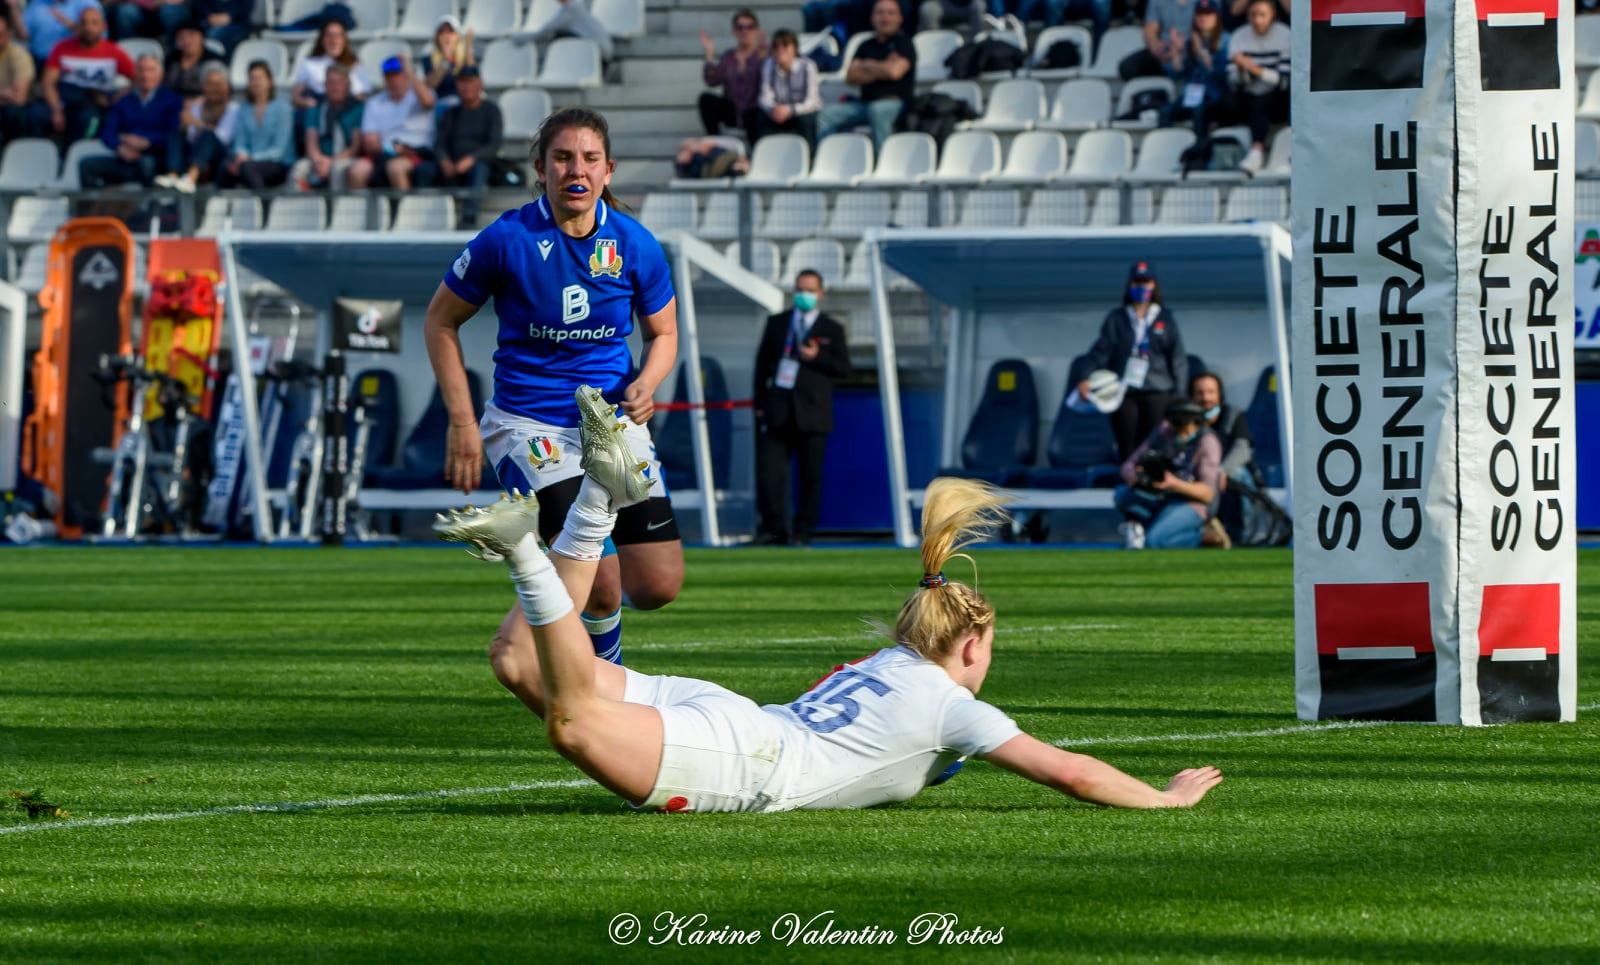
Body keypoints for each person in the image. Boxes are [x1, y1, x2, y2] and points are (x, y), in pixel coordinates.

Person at [433, 453, 1225, 813]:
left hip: (729, 713)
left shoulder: (888, 661)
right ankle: (527, 552)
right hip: (748, 762)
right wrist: (1164, 797)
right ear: (973, 648)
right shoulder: (954, 705)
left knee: (517, 663)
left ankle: (597, 503)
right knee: (568, 719)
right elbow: (1068, 771)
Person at [423, 107, 683, 672]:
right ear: (540, 169)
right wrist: (463, 423)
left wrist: (647, 381)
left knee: (658, 585)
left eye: (589, 158)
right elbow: (439, 322)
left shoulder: (635, 245)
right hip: (531, 427)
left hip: (612, 429)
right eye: (563, 157)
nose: (576, 169)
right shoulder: (507, 239)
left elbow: (663, 334)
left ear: (608, 170)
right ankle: (598, 686)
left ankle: (548, 588)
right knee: (603, 584)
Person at [752, 269, 850, 546]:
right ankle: (773, 531)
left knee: (810, 477)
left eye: (809, 290)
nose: (804, 295)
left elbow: (843, 369)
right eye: (799, 289)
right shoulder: (777, 324)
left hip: (813, 414)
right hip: (779, 411)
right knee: (770, 476)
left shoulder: (832, 329)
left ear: (820, 294)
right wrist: (760, 404)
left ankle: (803, 531)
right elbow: (761, 367)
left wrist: (818, 357)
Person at [1079, 260, 1189, 462]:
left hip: (1158, 391)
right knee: (1127, 446)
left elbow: (1178, 359)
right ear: (1129, 285)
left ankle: (1150, 488)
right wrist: (1085, 377)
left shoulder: (1165, 317)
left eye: (1145, 282)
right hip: (1125, 391)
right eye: (1137, 282)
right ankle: (1127, 485)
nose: (1141, 287)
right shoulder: (1117, 318)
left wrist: (1180, 396)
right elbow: (1100, 351)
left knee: (1154, 444)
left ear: (1153, 284)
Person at [1113, 400, 1221, 550]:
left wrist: (1174, 483)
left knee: (1154, 542)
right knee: (1122, 495)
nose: (1177, 428)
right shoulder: (1164, 432)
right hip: (1161, 498)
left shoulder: (1207, 441)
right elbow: (1127, 466)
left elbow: (1207, 494)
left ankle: (1203, 536)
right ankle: (1158, 530)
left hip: (1191, 503)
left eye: (1182, 423)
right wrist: (1138, 477)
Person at [815, 0, 915, 150]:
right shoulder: (865, 45)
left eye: (890, 13)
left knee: (878, 110)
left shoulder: (905, 43)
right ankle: (829, 159)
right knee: (827, 114)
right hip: (865, 104)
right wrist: (884, 67)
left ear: (899, 18)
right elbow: (851, 77)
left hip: (895, 103)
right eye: (880, 13)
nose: (885, 17)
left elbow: (894, 72)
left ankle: (882, 162)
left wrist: (866, 66)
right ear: (872, 17)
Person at [30, 5, 132, 143]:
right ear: (78, 26)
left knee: (90, 121)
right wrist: (56, 111)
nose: (88, 27)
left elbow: (138, 79)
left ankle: (72, 154)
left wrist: (118, 95)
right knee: (34, 115)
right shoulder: (62, 47)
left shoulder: (114, 52)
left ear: (103, 26)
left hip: (92, 105)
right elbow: (48, 82)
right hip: (63, 101)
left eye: (94, 23)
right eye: (84, 22)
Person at [78, 51, 179, 186]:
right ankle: (97, 205)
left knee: (147, 163)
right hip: (126, 156)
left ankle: (150, 206)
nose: (145, 75)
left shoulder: (172, 100)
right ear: (135, 73)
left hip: (156, 157)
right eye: (141, 70)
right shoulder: (124, 101)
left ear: (160, 74)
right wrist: (120, 147)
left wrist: (148, 142)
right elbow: (107, 132)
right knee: (86, 165)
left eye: (151, 70)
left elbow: (174, 134)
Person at [420, 65, 500, 226]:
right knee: (424, 170)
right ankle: (423, 216)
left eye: (470, 81)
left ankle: (469, 218)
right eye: (461, 82)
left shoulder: (491, 111)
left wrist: (471, 159)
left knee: (479, 169)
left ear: (479, 84)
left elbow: (493, 144)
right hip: (450, 166)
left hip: (476, 164)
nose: (465, 86)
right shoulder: (451, 113)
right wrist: (444, 160)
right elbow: (439, 143)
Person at [348, 55, 434, 191]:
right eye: (389, 77)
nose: (394, 81)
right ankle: (361, 211)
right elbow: (370, 139)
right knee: (357, 170)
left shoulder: (419, 95)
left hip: (416, 152)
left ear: (406, 76)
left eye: (397, 76)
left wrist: (410, 71)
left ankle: (404, 211)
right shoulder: (375, 102)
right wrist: (386, 148)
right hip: (386, 152)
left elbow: (428, 102)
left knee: (395, 168)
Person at [1227, 0, 1289, 173]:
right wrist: (1243, 72)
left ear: (1272, 15)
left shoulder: (1285, 35)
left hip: (1277, 99)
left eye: (1262, 15)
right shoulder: (1239, 35)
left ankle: (1257, 150)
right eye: (1253, 15)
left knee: (1262, 102)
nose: (1257, 20)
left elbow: (1283, 81)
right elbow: (1234, 80)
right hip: (1248, 95)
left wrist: (1251, 67)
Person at [155, 61, 235, 190]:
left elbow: (223, 137)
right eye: (210, 84)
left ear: (226, 86)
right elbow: (191, 135)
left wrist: (197, 124)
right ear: (203, 86)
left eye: (218, 84)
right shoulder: (198, 106)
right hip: (198, 150)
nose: (214, 88)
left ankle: (191, 177)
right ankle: (173, 174)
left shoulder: (233, 108)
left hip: (220, 155)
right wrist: (185, 123)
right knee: (176, 134)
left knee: (208, 136)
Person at [288, 61, 359, 190]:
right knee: (299, 169)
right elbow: (311, 142)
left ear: (347, 85)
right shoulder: (316, 109)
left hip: (345, 159)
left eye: (338, 82)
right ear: (325, 85)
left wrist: (331, 162)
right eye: (330, 82)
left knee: (337, 170)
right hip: (319, 159)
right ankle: (299, 208)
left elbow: (354, 147)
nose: (334, 87)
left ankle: (337, 209)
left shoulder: (357, 109)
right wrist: (318, 161)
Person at [221, 58, 292, 188]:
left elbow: (279, 150)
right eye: (252, 78)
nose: (255, 82)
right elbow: (240, 142)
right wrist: (241, 156)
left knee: (248, 168)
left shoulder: (283, 108)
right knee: (225, 168)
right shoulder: (244, 108)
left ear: (270, 82)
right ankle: (220, 207)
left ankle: (263, 206)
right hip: (249, 162)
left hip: (277, 163)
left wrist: (250, 158)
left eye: (259, 78)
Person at [1161, 0, 1229, 136]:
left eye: (1208, 14)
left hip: (1214, 97)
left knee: (1199, 112)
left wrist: (1200, 52)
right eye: (1199, 14)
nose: (1203, 18)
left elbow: (1219, 74)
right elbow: (1178, 73)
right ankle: (1165, 149)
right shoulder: (1190, 41)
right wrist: (1176, 53)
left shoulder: (1226, 40)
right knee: (1165, 112)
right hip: (1191, 96)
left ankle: (1199, 153)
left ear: (1217, 16)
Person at [698, 9, 763, 136]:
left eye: (749, 27)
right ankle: (715, 139)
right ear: (734, 31)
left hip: (756, 111)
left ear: (756, 30)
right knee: (706, 99)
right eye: (740, 27)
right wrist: (710, 55)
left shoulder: (764, 55)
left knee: (757, 111)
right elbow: (711, 81)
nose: (744, 31)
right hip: (733, 110)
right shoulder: (728, 57)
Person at [750, 29, 820, 145]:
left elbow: (812, 101)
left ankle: (809, 156)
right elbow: (764, 97)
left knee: (806, 121)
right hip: (778, 111)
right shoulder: (768, 65)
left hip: (800, 111)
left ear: (795, 49)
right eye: (776, 46)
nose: (780, 50)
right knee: (757, 116)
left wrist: (790, 110)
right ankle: (762, 153)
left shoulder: (808, 66)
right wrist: (774, 109)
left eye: (785, 45)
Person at [290, 18, 368, 109]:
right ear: (322, 40)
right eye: (329, 35)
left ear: (344, 40)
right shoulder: (309, 63)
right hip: (317, 106)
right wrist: (304, 102)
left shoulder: (355, 64)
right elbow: (297, 94)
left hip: (346, 108)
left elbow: (361, 95)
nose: (333, 40)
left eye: (338, 35)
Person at [1120, 0, 1193, 80]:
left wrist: (1184, 49)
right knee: (1128, 67)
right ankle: (1161, 86)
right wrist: (1156, 47)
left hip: (1193, 48)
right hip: (1166, 47)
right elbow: (1150, 30)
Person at [520, 0, 612, 62]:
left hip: (600, 55)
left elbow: (548, 28)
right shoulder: (575, 8)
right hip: (601, 53)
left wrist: (522, 39)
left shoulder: (572, 9)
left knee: (559, 36)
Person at [21, 0, 101, 64]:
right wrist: (12, 7)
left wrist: (68, 23)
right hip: (39, 59)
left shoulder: (88, 3)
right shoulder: (37, 3)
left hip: (75, 60)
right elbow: (24, 35)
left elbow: (96, 34)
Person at [0, 11, 36, 143]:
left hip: (12, 109)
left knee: (12, 112)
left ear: (9, 35)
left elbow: (19, 98)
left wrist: (8, 94)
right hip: (5, 101)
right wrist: (5, 92)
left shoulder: (19, 55)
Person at [161, 19, 219, 98]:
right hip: (171, 103)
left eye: (191, 35)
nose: (186, 40)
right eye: (181, 36)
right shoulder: (171, 59)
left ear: (202, 37)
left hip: (203, 104)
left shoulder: (214, 60)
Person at [422, 12, 473, 101]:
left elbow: (473, 79)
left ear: (458, 36)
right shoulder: (428, 58)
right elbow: (431, 84)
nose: (446, 36)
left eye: (451, 31)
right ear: (436, 37)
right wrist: (446, 59)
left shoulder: (465, 57)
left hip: (464, 104)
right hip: (440, 103)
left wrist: (468, 49)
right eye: (441, 32)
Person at [109, 0, 186, 44]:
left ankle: (175, 53)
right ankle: (128, 50)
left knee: (170, 12)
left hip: (169, 7)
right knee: (126, 12)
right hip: (141, 10)